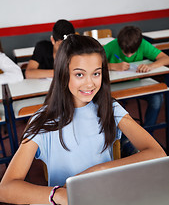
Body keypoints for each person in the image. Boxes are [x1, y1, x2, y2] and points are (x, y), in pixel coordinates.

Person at [0, 34, 166, 205]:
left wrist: (96, 171)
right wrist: (58, 195)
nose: (89, 83)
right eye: (79, 75)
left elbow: (157, 153)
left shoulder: (110, 108)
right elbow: (5, 189)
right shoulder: (43, 121)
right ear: (63, 74)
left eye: (96, 73)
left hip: (106, 197)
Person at [103, 26, 169, 128]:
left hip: (136, 84)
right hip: (114, 86)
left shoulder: (142, 44)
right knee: (108, 104)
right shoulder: (112, 45)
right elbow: (91, 64)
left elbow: (166, 58)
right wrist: (112, 66)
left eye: (132, 52)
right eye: (125, 52)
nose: (129, 56)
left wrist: (150, 66)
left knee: (157, 98)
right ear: (119, 44)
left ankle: (147, 133)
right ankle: (121, 138)